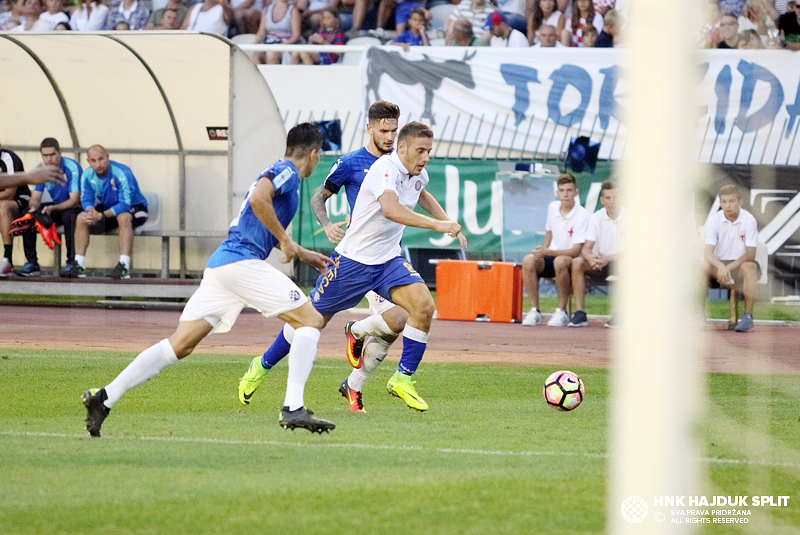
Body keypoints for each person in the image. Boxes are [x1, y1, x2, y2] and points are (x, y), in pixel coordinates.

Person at [81, 124, 335, 437]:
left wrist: (302, 252)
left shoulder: (281, 173)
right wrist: (285, 241)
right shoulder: (287, 172)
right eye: (318, 155)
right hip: (241, 263)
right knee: (310, 320)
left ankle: (104, 397)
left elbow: (256, 217)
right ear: (312, 154)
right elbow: (258, 199)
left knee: (180, 345)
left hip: (222, 267)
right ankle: (293, 407)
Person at [240, 121, 464, 413]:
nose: (426, 157)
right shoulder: (383, 169)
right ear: (402, 148)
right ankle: (262, 365)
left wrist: (449, 223)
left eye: (429, 151)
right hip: (352, 262)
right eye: (421, 150)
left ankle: (402, 378)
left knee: (423, 306)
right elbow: (391, 209)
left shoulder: (417, 174)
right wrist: (437, 224)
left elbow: (422, 194)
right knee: (310, 322)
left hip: (387, 261)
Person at [521, 173, 589, 327]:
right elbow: (549, 232)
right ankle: (535, 310)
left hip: (570, 259)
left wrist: (547, 252)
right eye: (562, 190)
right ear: (557, 193)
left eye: (569, 190)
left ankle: (562, 311)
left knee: (560, 262)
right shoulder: (552, 207)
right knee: (528, 260)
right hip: (551, 254)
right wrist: (542, 251)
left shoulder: (582, 215)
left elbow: (575, 251)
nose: (566, 194)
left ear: (576, 192)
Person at [74, 145, 148, 279]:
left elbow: (125, 204)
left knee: (124, 217)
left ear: (107, 157)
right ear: (88, 161)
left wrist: (101, 215)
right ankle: (79, 264)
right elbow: (86, 199)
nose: (98, 164)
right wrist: (91, 211)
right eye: (93, 161)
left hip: (136, 208)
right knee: (81, 217)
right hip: (110, 210)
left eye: (101, 159)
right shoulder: (87, 174)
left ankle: (124, 265)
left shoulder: (122, 172)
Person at [703, 184, 759, 333]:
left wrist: (727, 268)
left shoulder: (749, 220)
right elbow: (707, 253)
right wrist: (721, 266)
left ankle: (748, 317)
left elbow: (751, 253)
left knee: (749, 267)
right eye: (724, 201)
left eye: (732, 201)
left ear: (740, 202)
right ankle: (699, 316)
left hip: (739, 266)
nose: (728, 205)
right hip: (718, 267)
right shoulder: (714, 220)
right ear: (720, 203)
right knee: (699, 267)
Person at [569, 180, 624, 328]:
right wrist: (591, 258)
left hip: (621, 262)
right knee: (577, 262)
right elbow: (586, 247)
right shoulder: (596, 217)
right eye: (607, 198)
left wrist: (609, 258)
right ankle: (580, 313)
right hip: (601, 262)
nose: (611, 201)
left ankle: (621, 313)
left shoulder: (630, 216)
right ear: (601, 200)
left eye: (615, 197)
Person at [27, 138, 82, 278]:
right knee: (27, 215)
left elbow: (74, 200)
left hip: (72, 207)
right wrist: (33, 208)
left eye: (52, 154)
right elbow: (35, 198)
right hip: (55, 207)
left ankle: (71, 262)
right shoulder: (41, 169)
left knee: (70, 217)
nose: (48, 159)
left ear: (60, 153)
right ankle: (32, 262)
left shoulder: (71, 168)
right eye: (45, 155)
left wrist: (52, 208)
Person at [0, 143, 34, 276]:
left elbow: (9, 193)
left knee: (3, 206)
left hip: (20, 201)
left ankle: (7, 258)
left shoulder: (9, 159)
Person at [251, 0, 302, 64]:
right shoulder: (267, 10)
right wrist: (255, 43)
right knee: (252, 53)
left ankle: (272, 73)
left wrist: (280, 45)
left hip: (285, 45)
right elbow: (261, 32)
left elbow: (296, 36)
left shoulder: (293, 11)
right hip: (269, 43)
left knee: (271, 53)